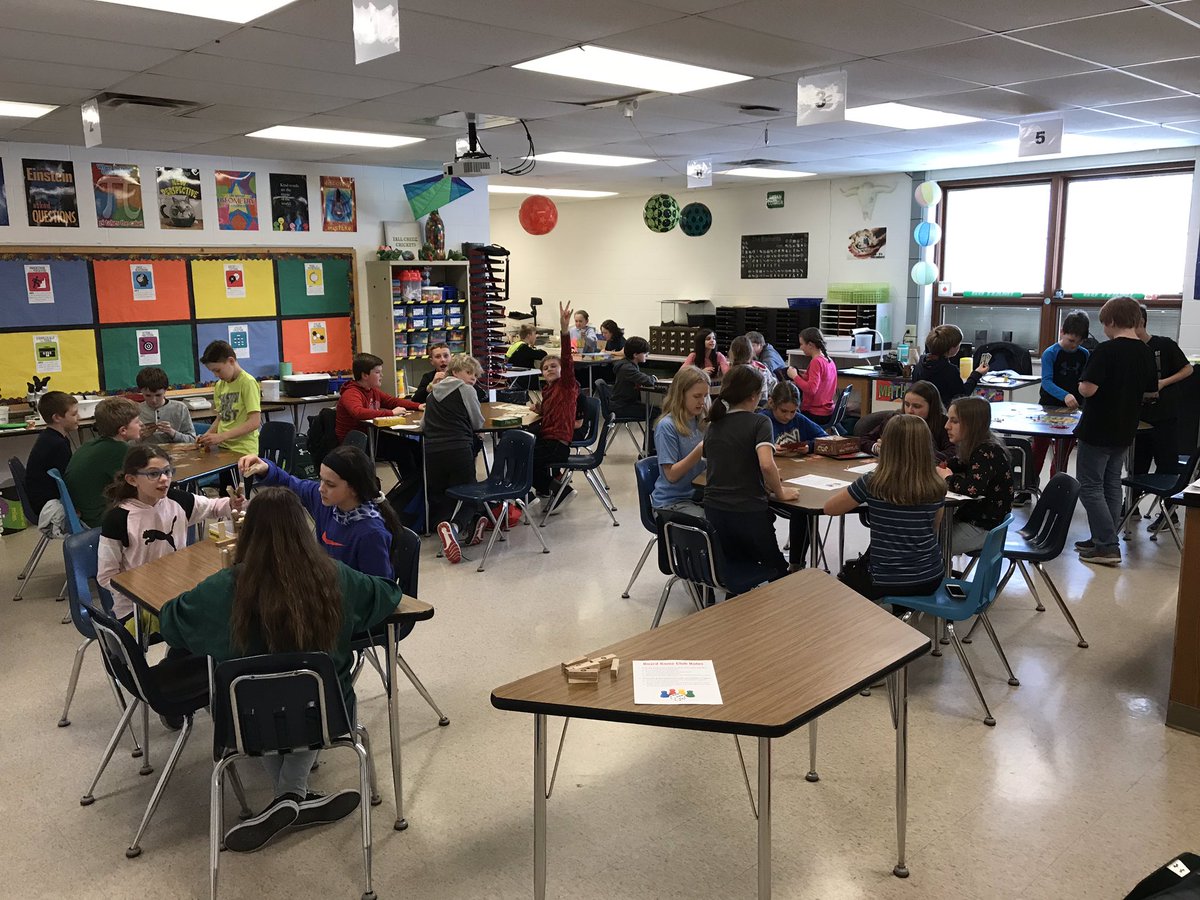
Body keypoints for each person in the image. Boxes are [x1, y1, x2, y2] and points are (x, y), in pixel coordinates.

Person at [159, 487, 402, 853]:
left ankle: (286, 797)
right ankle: (294, 796)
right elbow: (387, 594)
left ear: (249, 532)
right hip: (328, 716)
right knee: (304, 697)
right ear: (302, 529)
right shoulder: (334, 577)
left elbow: (171, 621)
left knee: (264, 701)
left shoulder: (225, 588)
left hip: (245, 724)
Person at [98, 443, 242, 625]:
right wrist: (145, 591)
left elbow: (214, 507)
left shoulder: (177, 500)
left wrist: (232, 504)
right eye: (153, 474)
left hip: (177, 594)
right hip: (136, 606)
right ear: (132, 480)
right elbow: (106, 576)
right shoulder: (118, 518)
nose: (164, 479)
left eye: (167, 471)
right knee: (206, 623)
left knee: (224, 612)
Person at [824, 414, 946, 602]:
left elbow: (830, 508)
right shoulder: (937, 484)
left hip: (885, 579)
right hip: (931, 576)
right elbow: (934, 527)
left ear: (887, 446)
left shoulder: (873, 482)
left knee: (840, 586)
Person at [1073, 296, 1158, 566]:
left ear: (1110, 321)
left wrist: (1082, 387)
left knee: (1090, 487)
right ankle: (1103, 537)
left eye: (1104, 324)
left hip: (1098, 428)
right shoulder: (1146, 351)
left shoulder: (1106, 350)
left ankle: (1107, 545)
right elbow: (1151, 391)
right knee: (1111, 484)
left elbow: (1088, 388)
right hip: (1125, 429)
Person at [239, 443, 401, 578]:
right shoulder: (328, 502)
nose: (321, 488)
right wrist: (266, 468)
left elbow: (380, 590)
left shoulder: (370, 534)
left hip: (351, 606)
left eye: (330, 484)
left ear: (354, 489)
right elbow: (289, 482)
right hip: (328, 590)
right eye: (321, 480)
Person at [702, 365, 798, 582]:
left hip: (715, 510)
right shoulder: (760, 422)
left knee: (737, 562)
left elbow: (720, 463)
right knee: (778, 571)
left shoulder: (713, 424)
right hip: (747, 511)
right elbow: (766, 464)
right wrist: (780, 491)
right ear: (754, 396)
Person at [1133, 304, 1193, 535]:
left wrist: (1163, 383)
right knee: (1137, 465)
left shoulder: (1164, 344)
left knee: (1166, 466)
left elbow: (1187, 369)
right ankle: (1131, 507)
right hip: (1139, 419)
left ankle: (1170, 514)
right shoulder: (1130, 350)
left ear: (1141, 323)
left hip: (1164, 417)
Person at [424, 353, 489, 564]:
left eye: (476, 376)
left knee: (442, 494)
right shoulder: (466, 390)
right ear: (455, 372)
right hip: (459, 448)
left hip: (433, 451)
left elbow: (424, 425)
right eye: (469, 373)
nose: (473, 378)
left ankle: (447, 525)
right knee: (468, 492)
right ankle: (456, 526)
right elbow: (477, 421)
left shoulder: (432, 394)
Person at [938, 396, 1014, 555]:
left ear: (972, 425)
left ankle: (939, 578)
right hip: (974, 521)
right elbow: (957, 463)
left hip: (984, 528)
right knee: (929, 536)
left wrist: (947, 478)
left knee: (930, 547)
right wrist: (942, 466)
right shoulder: (978, 447)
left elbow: (972, 489)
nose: (947, 426)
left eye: (954, 421)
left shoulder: (986, 452)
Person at [528, 302, 579, 511]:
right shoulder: (548, 391)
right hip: (547, 439)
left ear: (561, 370)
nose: (549, 369)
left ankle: (558, 491)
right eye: (545, 368)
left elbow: (567, 359)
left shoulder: (566, 385)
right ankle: (548, 490)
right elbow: (551, 409)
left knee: (525, 461)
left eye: (553, 366)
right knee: (523, 455)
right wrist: (538, 409)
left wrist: (564, 330)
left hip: (557, 443)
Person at [64, 397, 143, 527]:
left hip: (82, 512)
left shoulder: (92, 443)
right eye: (137, 422)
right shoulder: (119, 449)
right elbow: (140, 485)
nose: (141, 424)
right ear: (123, 430)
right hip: (97, 518)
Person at [1032, 311, 1091, 480]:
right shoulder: (1050, 353)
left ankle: (1056, 487)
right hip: (1048, 406)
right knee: (1039, 449)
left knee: (1062, 454)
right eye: (1071, 340)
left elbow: (1084, 379)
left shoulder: (1084, 354)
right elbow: (1047, 382)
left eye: (1079, 342)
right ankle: (1029, 486)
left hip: (1073, 410)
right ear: (1062, 332)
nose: (1074, 345)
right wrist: (1065, 395)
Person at [650, 365, 709, 518]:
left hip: (698, 496)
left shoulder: (701, 421)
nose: (702, 402)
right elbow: (671, 475)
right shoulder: (667, 426)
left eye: (705, 396)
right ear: (681, 395)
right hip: (671, 502)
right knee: (715, 525)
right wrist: (699, 451)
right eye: (697, 396)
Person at [857, 380, 952, 462]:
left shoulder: (943, 423)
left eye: (917, 406)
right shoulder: (895, 419)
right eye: (906, 404)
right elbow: (863, 440)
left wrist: (911, 453)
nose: (910, 410)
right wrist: (877, 448)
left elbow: (953, 452)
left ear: (931, 407)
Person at [335, 352, 419, 443]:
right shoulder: (351, 393)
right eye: (377, 372)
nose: (381, 375)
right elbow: (358, 412)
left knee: (411, 446)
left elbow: (392, 401)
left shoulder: (372, 390)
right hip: (354, 442)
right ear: (365, 375)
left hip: (371, 436)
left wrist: (418, 406)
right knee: (407, 451)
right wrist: (391, 413)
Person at [25, 391, 79, 528]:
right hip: (48, 505)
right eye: (73, 414)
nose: (79, 417)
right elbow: (68, 481)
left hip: (43, 499)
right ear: (57, 417)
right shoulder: (57, 444)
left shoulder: (50, 436)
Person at [197, 340, 261, 456]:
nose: (216, 375)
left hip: (244, 450)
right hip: (223, 448)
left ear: (231, 361)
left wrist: (222, 436)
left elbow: (254, 422)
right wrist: (207, 436)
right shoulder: (219, 385)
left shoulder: (247, 382)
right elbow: (220, 417)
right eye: (212, 371)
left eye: (218, 370)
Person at [912, 324, 988, 409]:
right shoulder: (950, 371)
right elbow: (962, 396)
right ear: (952, 348)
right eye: (958, 344)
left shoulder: (920, 364)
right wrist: (977, 374)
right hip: (942, 415)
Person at [611, 336, 658, 451]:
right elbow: (647, 380)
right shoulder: (627, 368)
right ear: (635, 354)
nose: (646, 355)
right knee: (656, 413)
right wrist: (653, 378)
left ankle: (649, 448)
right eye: (645, 353)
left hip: (623, 403)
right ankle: (649, 450)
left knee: (653, 410)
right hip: (622, 407)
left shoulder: (627, 364)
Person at [784, 327, 837, 424]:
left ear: (810, 345)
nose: (801, 347)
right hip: (828, 411)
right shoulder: (828, 360)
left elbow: (811, 389)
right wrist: (803, 376)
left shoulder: (816, 362)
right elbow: (822, 382)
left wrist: (795, 376)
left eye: (802, 344)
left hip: (815, 413)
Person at [135, 367, 196, 444]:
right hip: (146, 453)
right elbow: (126, 445)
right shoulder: (135, 411)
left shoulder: (180, 408)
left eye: (158, 395)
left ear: (165, 390)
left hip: (175, 454)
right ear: (141, 391)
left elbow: (192, 440)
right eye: (148, 395)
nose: (153, 400)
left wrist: (172, 433)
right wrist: (140, 437)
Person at [412, 343, 486, 404]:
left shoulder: (461, 374)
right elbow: (415, 400)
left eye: (446, 356)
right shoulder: (428, 377)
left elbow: (482, 396)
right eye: (438, 357)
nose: (443, 360)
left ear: (451, 357)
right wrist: (431, 385)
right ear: (431, 361)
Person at [760, 381, 824, 451]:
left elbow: (826, 439)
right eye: (783, 411)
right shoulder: (762, 420)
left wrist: (809, 446)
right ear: (771, 403)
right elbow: (748, 446)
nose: (788, 416)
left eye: (793, 411)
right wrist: (769, 449)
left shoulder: (799, 419)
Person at [729, 335, 776, 406]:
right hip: (763, 406)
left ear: (732, 353)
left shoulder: (733, 372)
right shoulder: (761, 367)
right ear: (751, 351)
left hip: (745, 408)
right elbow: (774, 385)